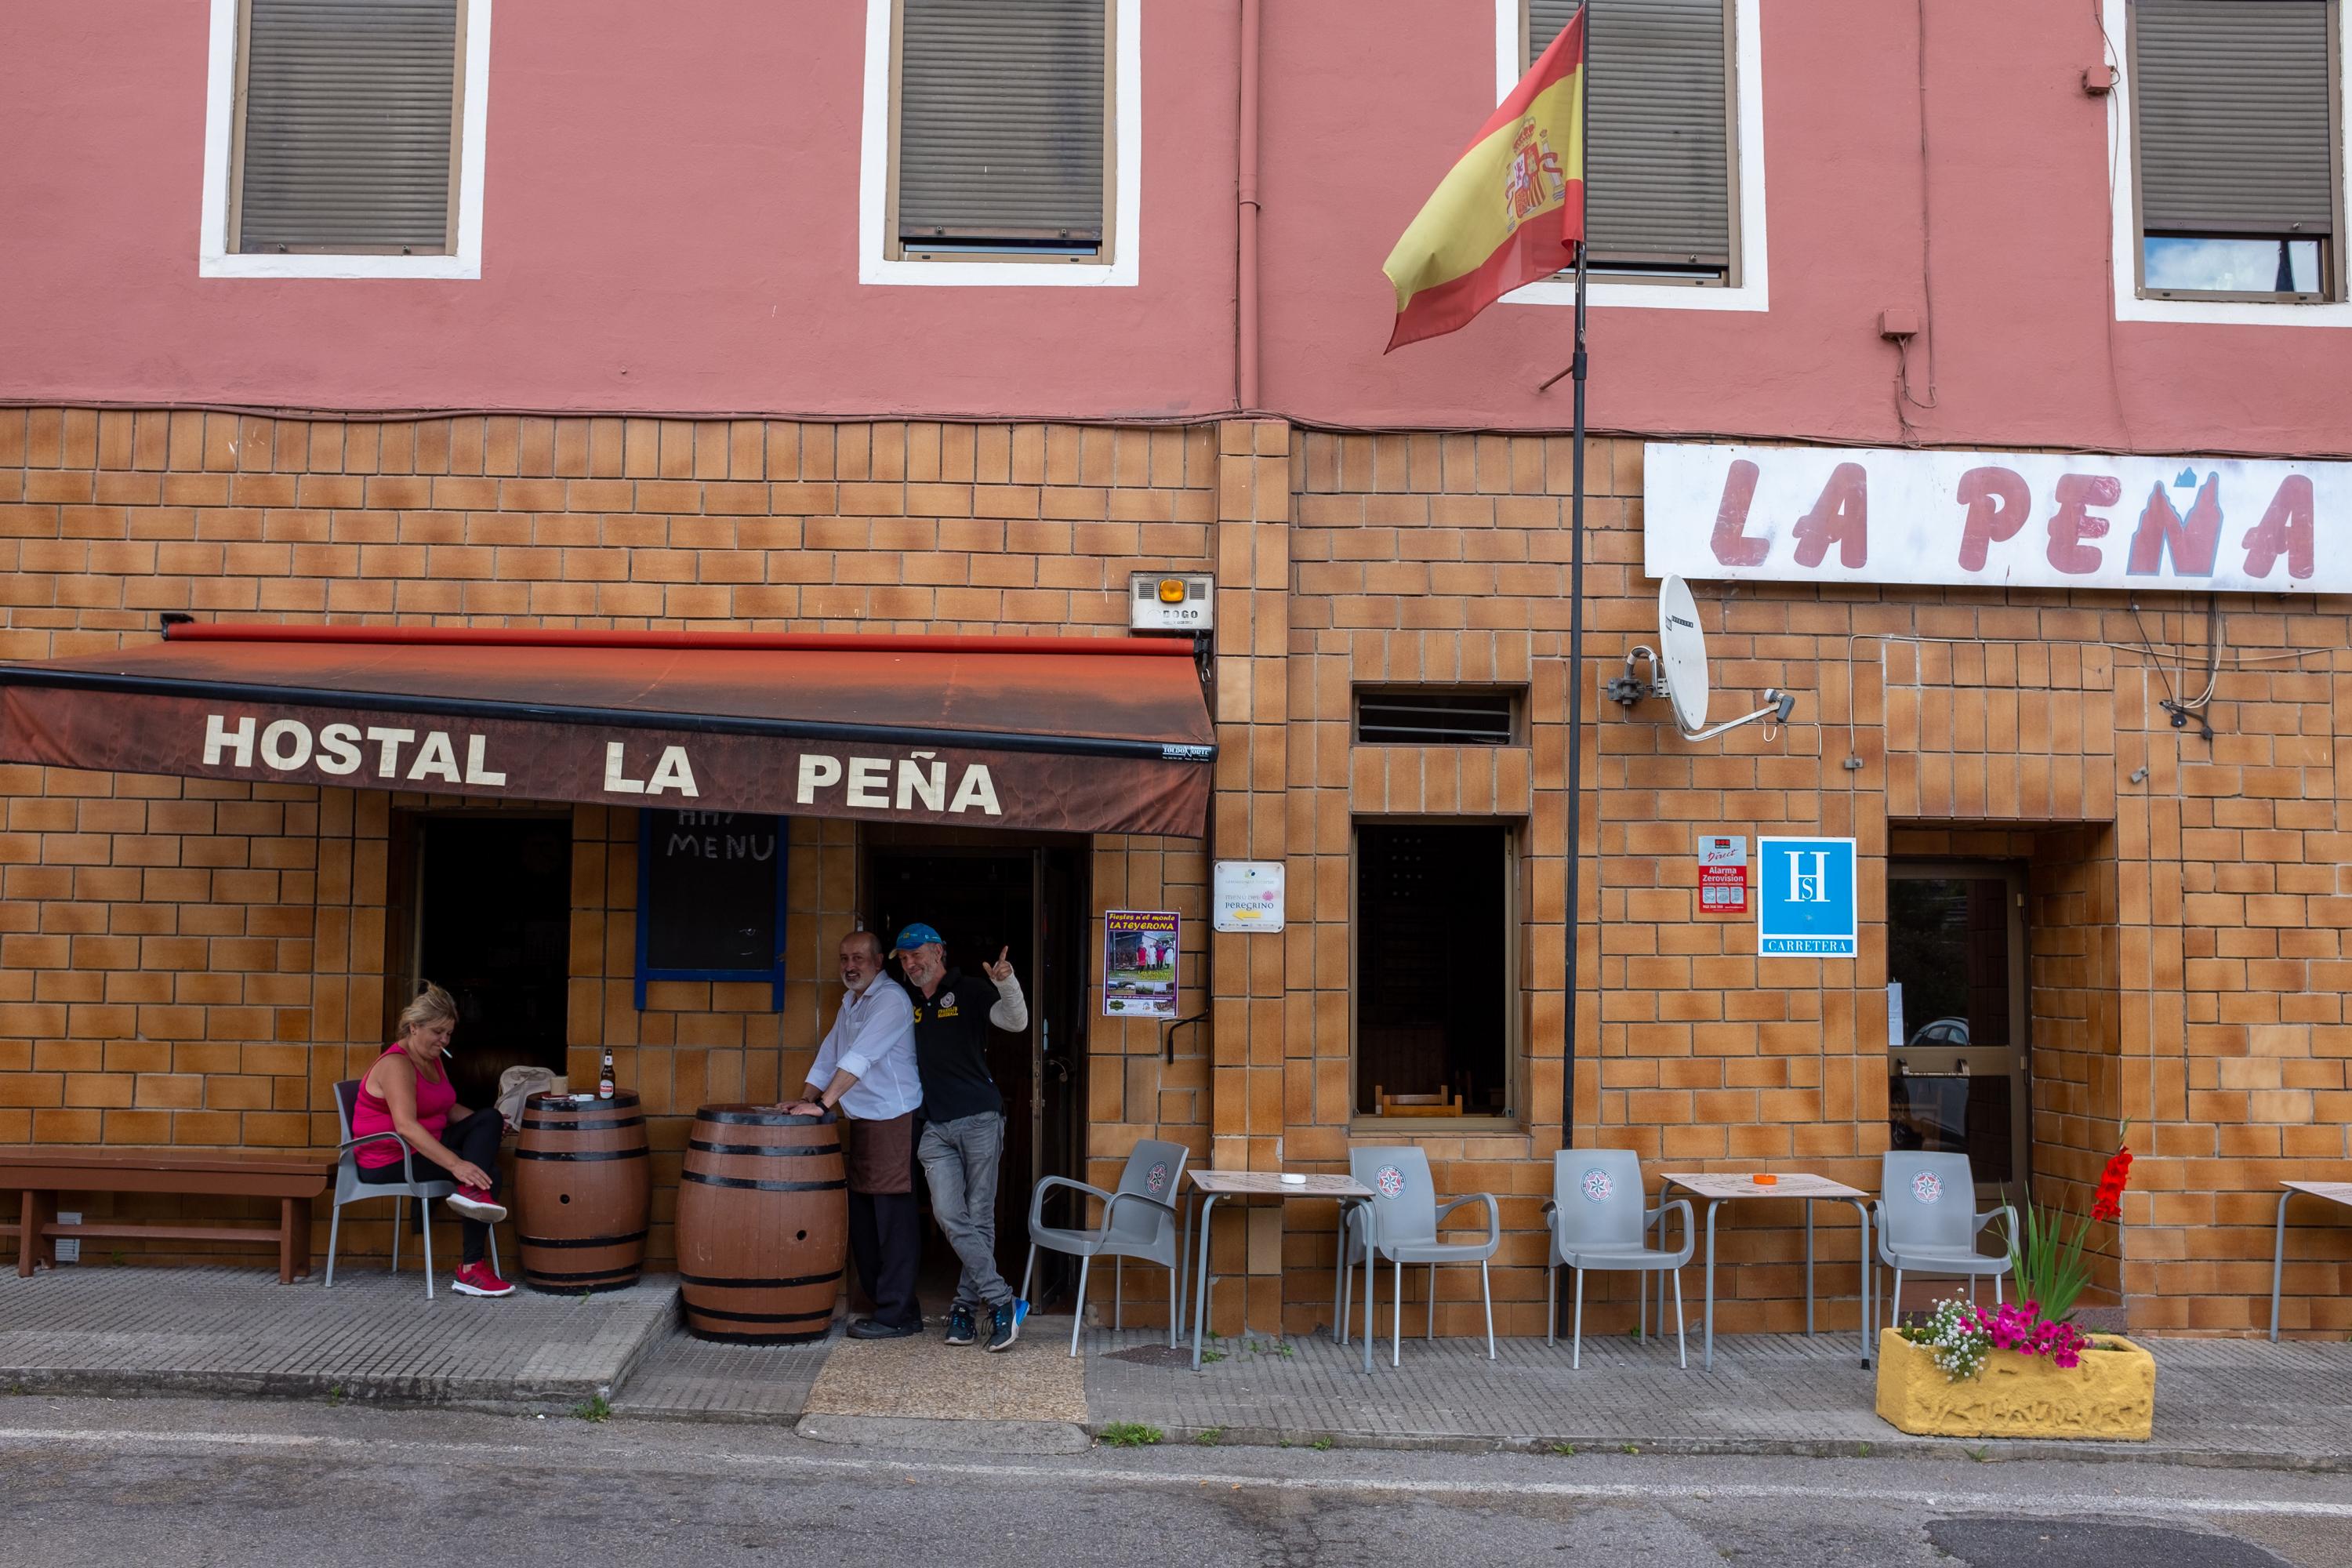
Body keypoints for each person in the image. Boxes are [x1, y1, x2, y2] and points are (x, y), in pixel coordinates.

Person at [895, 922, 1028, 1352]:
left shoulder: (969, 989)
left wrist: (1007, 983)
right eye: (904, 958)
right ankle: (1002, 1300)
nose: (910, 964)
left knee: (979, 1215)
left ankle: (964, 1310)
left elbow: (1016, 1022)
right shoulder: (905, 1000)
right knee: (950, 1215)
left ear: (938, 952)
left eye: (916, 954)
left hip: (980, 1118)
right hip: (935, 1125)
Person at [785, 930, 923, 1340]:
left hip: (894, 1119)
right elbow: (830, 1055)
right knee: (865, 1222)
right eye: (844, 958)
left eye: (859, 958)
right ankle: (888, 1306)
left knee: (893, 1224)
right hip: (863, 1120)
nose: (850, 966)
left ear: (878, 962)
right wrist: (805, 1099)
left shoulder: (891, 1000)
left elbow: (860, 1058)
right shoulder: (850, 1001)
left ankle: (899, 1314)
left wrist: (824, 1105)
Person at [350, 982, 514, 1297]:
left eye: (449, 1033)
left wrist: (485, 1127)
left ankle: (472, 1196)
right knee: (488, 1175)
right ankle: (471, 1269)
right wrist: (457, 1166)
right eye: (438, 1032)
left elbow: (446, 1107)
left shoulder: (432, 1058)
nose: (445, 1040)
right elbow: (406, 1127)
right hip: (389, 1157)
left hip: (423, 1145)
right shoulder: (396, 1064)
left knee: (490, 1118)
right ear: (414, 1027)